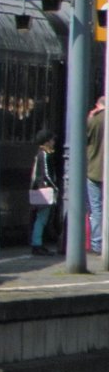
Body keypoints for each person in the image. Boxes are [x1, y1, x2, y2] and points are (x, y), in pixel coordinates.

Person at [30, 129, 58, 256]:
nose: (53, 142)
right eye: (52, 140)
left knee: (41, 217)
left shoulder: (40, 153)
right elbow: (46, 174)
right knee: (42, 218)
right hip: (44, 189)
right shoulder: (44, 154)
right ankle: (37, 244)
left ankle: (38, 243)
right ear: (47, 141)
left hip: (40, 188)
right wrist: (55, 187)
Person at [87, 96, 106, 255]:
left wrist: (91, 116)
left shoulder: (94, 120)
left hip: (93, 170)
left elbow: (83, 138)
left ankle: (97, 243)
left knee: (96, 208)